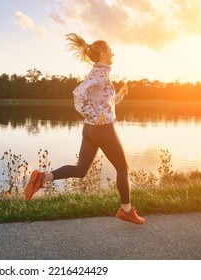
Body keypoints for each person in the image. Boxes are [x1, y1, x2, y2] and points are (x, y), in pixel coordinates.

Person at [25, 33, 145, 225]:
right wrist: (92, 115)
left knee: (81, 169)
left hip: (90, 131)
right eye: (111, 51)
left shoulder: (97, 72)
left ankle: (42, 178)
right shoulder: (101, 73)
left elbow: (103, 103)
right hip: (102, 129)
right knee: (123, 169)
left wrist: (119, 96)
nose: (114, 53)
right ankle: (126, 210)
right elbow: (79, 93)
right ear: (104, 54)